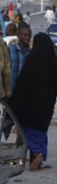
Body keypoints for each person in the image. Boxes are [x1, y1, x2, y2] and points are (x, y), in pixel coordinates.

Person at [8, 33, 57, 171]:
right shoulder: (53, 62)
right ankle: (38, 155)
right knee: (41, 131)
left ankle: (36, 152)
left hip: (29, 105)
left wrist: (14, 101)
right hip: (46, 105)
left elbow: (22, 83)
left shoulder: (31, 59)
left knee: (27, 131)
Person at [7, 25, 31, 91]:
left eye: (29, 35)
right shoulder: (10, 50)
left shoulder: (31, 53)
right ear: (18, 35)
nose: (27, 38)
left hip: (24, 90)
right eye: (25, 35)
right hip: (11, 89)